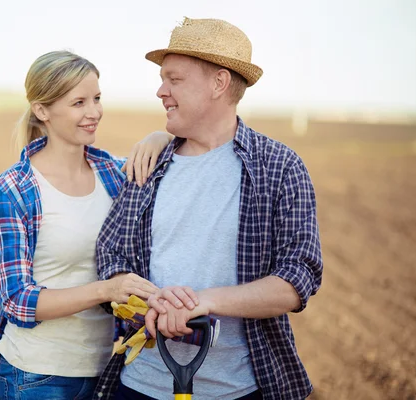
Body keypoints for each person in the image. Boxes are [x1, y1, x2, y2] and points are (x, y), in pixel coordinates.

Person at [94, 18, 323, 400]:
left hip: (243, 389)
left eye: (174, 79)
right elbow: (111, 255)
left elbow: (298, 278)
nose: (160, 91)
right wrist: (150, 301)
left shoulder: (280, 167)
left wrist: (206, 301)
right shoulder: (147, 165)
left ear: (219, 83)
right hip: (139, 386)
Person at [0, 50, 181, 399]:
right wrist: (105, 290)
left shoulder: (114, 175)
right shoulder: (11, 190)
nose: (94, 112)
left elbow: (180, 159)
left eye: (97, 99)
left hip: (105, 369)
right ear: (42, 111)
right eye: (79, 102)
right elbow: (16, 300)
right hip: (37, 376)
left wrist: (160, 139)